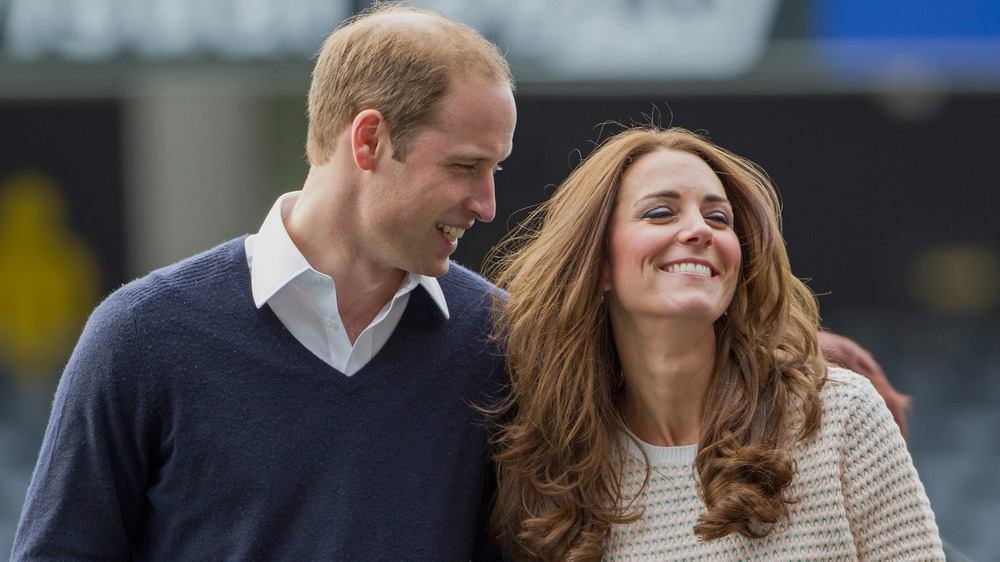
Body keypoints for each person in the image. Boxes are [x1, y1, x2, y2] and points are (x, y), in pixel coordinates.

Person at [12, 3, 515, 560]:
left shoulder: (503, 344)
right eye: (466, 166)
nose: (488, 205)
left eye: (496, 169)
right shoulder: (140, 336)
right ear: (369, 139)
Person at [487, 126, 944, 560]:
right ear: (598, 263)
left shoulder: (841, 416)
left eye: (718, 217)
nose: (700, 230)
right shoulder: (554, 475)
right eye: (661, 212)